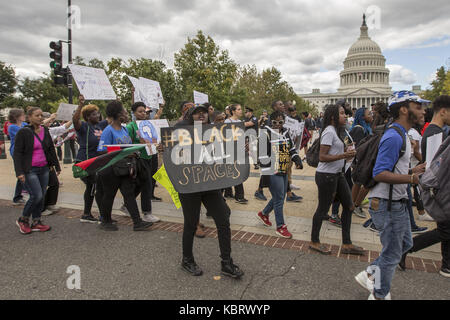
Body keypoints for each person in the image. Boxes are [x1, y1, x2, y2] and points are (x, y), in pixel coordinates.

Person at [355, 90, 428, 300]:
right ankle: (379, 294)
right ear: (404, 109)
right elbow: (379, 172)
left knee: (405, 244)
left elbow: (392, 169)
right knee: (393, 253)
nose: (423, 111)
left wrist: (412, 172)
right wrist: (411, 180)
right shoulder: (394, 136)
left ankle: (370, 273)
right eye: (418, 106)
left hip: (396, 201)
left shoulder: (401, 135)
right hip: (386, 203)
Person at [166, 104, 244, 278]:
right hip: (189, 185)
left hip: (210, 184)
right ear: (190, 117)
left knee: (223, 220)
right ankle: (187, 260)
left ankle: (226, 262)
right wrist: (164, 149)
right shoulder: (181, 131)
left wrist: (240, 150)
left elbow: (227, 152)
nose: (201, 115)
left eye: (203, 113)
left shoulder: (215, 132)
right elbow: (171, 155)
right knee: (191, 223)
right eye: (196, 113)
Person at [399, 95, 450, 277]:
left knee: (445, 229)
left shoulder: (436, 131)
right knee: (445, 231)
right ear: (443, 111)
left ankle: (447, 264)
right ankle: (406, 249)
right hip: (440, 187)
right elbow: (435, 165)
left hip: (440, 186)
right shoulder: (436, 133)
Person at [309, 104, 363, 255]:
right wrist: (343, 156)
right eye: (341, 113)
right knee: (322, 209)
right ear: (333, 116)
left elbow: (334, 152)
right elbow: (322, 157)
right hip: (326, 176)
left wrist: (346, 151)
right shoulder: (328, 132)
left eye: (345, 113)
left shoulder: (337, 132)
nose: (345, 116)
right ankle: (314, 241)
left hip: (337, 175)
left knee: (349, 206)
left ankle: (347, 244)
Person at [96, 100, 153, 232]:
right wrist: (123, 153)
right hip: (110, 169)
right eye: (124, 111)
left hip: (123, 168)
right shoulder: (108, 131)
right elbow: (101, 150)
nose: (127, 113)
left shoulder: (123, 129)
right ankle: (105, 220)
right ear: (118, 114)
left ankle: (137, 223)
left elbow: (127, 146)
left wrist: (133, 151)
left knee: (129, 195)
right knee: (109, 195)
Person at [13, 107, 61, 234]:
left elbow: (50, 149)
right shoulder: (24, 132)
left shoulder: (45, 130)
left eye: (41, 115)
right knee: (36, 195)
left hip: (44, 168)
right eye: (37, 115)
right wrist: (19, 172)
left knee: (41, 196)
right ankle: (23, 219)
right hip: (30, 169)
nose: (40, 118)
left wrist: (56, 166)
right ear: (29, 117)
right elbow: (17, 153)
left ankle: (36, 221)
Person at [256, 110, 302, 238]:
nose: (278, 124)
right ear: (271, 121)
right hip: (272, 171)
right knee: (279, 199)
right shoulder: (266, 133)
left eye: (280, 122)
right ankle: (280, 226)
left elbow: (291, 149)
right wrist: (266, 173)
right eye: (275, 122)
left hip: (284, 169)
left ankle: (264, 213)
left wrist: (297, 159)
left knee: (279, 196)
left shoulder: (286, 132)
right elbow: (262, 156)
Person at [73, 95, 108, 223]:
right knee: (95, 187)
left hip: (97, 163)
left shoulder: (100, 125)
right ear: (87, 117)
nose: (97, 115)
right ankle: (102, 216)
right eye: (94, 114)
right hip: (85, 162)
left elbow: (113, 116)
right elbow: (75, 120)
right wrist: (80, 105)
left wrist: (116, 102)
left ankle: (87, 214)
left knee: (92, 188)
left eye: (98, 113)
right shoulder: (83, 127)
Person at [125, 101, 160, 223]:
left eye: (144, 112)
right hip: (138, 159)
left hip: (149, 156)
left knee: (141, 184)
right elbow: (126, 144)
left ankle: (126, 205)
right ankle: (147, 213)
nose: (143, 114)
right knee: (147, 184)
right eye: (140, 112)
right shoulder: (130, 127)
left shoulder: (150, 124)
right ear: (134, 113)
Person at [348, 107, 373, 219]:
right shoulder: (359, 129)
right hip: (360, 161)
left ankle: (355, 204)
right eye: (369, 114)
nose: (371, 115)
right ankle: (354, 204)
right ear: (362, 117)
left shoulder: (365, 128)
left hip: (363, 160)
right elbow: (357, 147)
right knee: (360, 183)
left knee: (361, 183)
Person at [224, 104, 248, 204]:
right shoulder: (227, 121)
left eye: (240, 109)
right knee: (235, 171)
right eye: (238, 109)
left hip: (239, 149)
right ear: (233, 111)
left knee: (235, 171)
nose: (241, 111)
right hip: (230, 150)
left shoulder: (240, 122)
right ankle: (239, 196)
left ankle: (228, 192)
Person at [8, 108, 27, 205]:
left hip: (24, 151)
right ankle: (18, 196)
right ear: (16, 117)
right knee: (22, 172)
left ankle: (18, 196)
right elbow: (27, 132)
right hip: (17, 152)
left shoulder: (23, 124)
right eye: (22, 114)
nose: (24, 116)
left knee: (24, 172)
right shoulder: (12, 127)